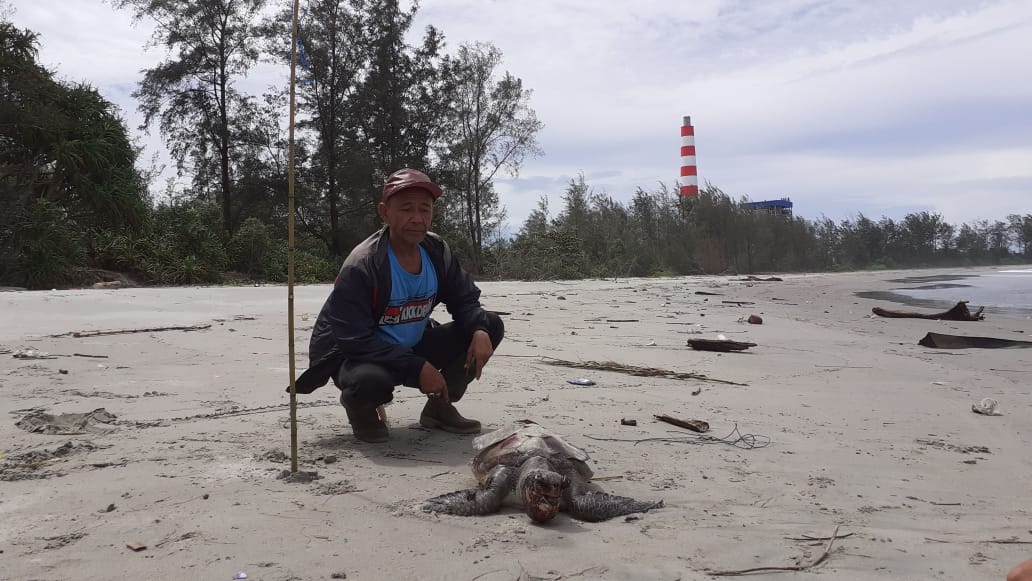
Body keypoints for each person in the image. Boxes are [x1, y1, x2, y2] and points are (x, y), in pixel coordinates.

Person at [291, 168, 504, 443]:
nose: (417, 219)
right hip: (358, 355)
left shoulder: (437, 251)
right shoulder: (363, 265)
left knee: (490, 325)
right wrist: (417, 367)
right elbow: (354, 340)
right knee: (369, 381)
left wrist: (478, 329)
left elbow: (464, 298)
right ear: (384, 213)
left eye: (424, 210)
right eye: (406, 209)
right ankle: (363, 412)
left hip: (411, 342)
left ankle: (440, 407)